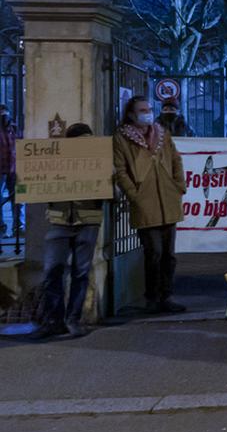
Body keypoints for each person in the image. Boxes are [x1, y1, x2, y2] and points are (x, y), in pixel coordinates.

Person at [113, 95, 187, 314]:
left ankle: (166, 296)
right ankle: (152, 298)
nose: (148, 112)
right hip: (145, 202)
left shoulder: (162, 134)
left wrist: (178, 185)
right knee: (153, 252)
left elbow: (176, 159)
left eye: (149, 109)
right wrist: (134, 195)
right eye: (142, 110)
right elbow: (120, 169)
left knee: (169, 255)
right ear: (131, 114)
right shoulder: (122, 138)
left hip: (168, 198)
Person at [29, 124, 104, 340]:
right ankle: (54, 321)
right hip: (59, 222)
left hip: (88, 221)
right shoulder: (56, 163)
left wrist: (107, 180)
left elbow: (113, 195)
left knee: (80, 273)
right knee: (53, 272)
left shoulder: (100, 162)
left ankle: (73, 319)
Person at [0, 104, 16, 237]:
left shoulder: (13, 129)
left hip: (14, 169)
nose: (4, 117)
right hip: (1, 169)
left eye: (5, 114)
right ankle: (1, 227)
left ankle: (18, 226)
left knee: (17, 197)